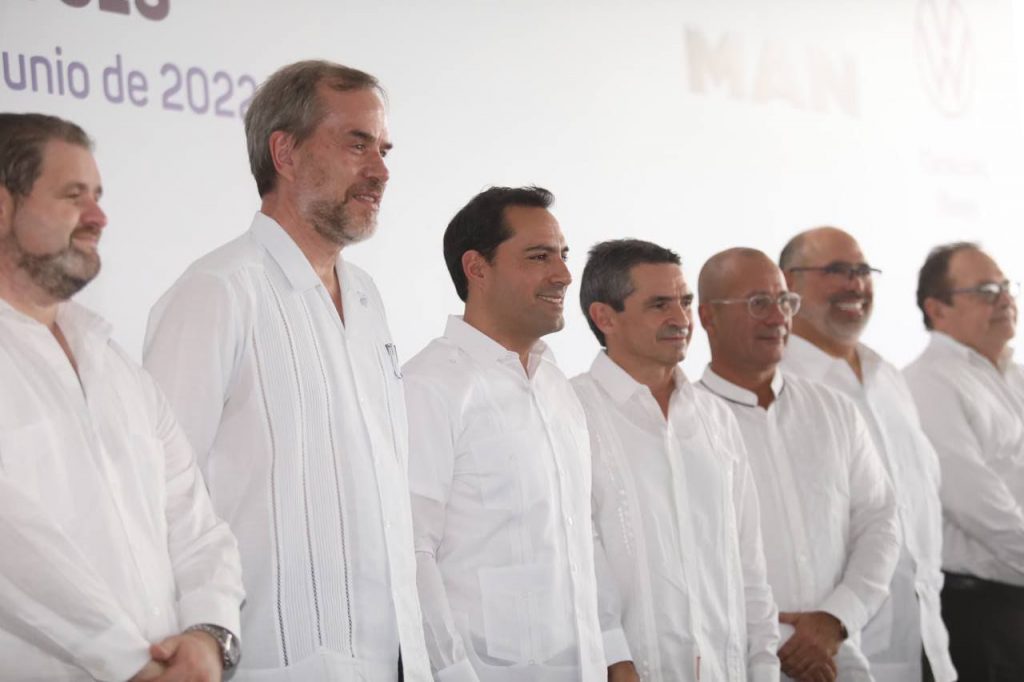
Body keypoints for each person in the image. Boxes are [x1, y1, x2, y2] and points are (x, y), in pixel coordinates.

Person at [144, 61, 429, 681]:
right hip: (269, 663)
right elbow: (156, 498)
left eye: (383, 150)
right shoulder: (217, 291)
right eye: (357, 144)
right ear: (286, 153)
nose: (381, 171)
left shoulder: (367, 297)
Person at [0, 113, 244, 681]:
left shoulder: (116, 366)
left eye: (99, 196)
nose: (98, 217)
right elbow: (14, 549)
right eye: (73, 196)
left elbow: (194, 521)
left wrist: (208, 634)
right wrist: (133, 664)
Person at [403, 186, 635, 681]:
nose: (564, 274)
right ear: (477, 268)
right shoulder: (429, 386)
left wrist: (614, 653)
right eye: (539, 256)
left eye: (563, 255)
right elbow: (409, 554)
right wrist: (452, 674)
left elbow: (579, 533)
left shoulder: (556, 385)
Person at [572, 238, 780, 681]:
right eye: (659, 305)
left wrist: (764, 664)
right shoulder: (570, 412)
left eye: (684, 302)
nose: (682, 319)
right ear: (604, 317)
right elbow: (578, 561)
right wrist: (615, 659)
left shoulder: (716, 417)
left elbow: (749, 563)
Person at [696, 247, 900, 682]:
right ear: (708, 316)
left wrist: (835, 618)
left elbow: (880, 522)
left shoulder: (834, 411)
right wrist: (783, 639)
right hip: (735, 664)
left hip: (839, 658)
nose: (778, 317)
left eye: (785, 301)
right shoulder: (686, 424)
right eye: (758, 303)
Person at [779, 227, 955, 682]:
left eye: (862, 271)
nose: (854, 284)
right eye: (836, 271)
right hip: (830, 650)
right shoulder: (778, 386)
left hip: (926, 640)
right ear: (789, 284)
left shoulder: (887, 376)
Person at [904, 242, 1024, 680]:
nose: (1005, 298)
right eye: (986, 290)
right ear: (937, 309)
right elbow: (978, 507)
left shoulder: (1014, 375)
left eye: (1006, 286)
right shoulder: (927, 383)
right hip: (978, 614)